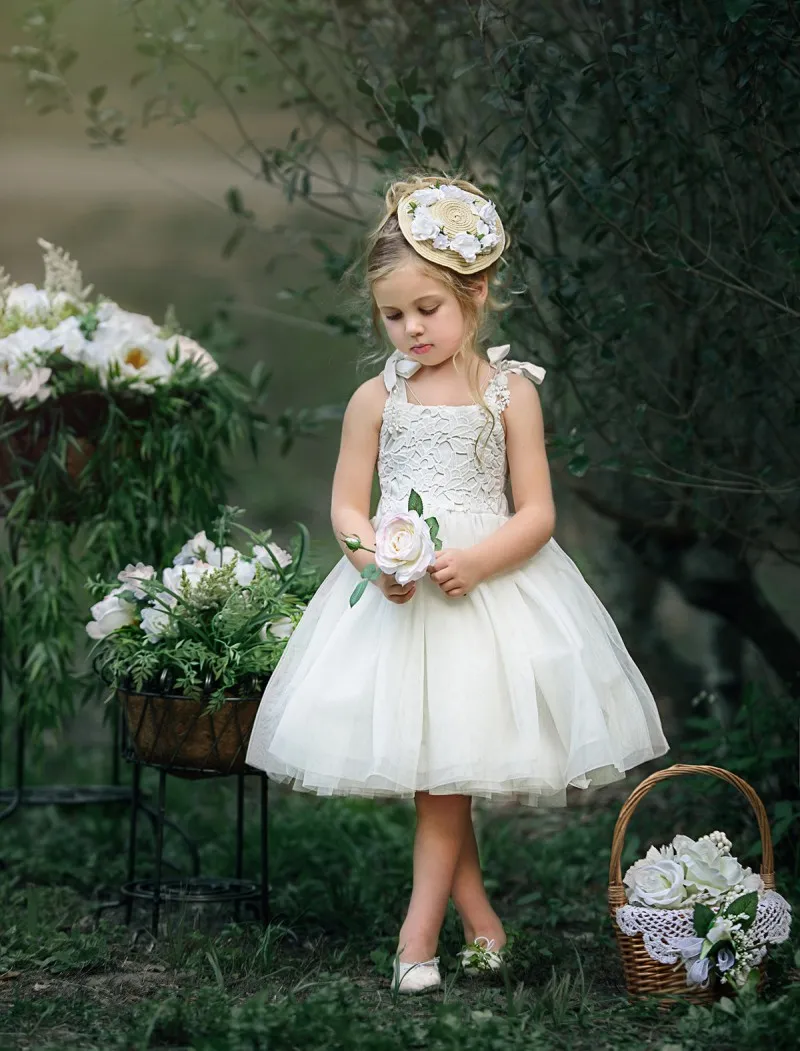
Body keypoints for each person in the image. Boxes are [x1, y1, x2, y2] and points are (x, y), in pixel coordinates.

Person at [245, 173, 670, 995]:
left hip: (486, 592)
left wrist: (478, 560)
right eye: (392, 314)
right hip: (402, 603)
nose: (410, 329)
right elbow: (345, 504)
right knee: (434, 772)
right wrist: (372, 561)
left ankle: (417, 937)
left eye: (426, 310)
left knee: (441, 779)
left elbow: (537, 512)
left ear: (475, 292)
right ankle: (481, 924)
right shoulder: (377, 397)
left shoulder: (509, 395)